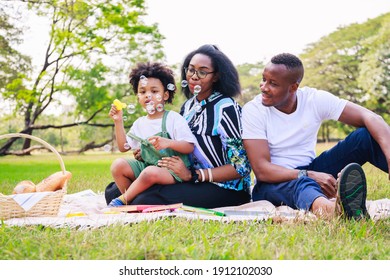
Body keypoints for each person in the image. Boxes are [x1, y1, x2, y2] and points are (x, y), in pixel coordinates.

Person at [242, 53, 390, 220]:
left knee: (365, 137)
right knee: (303, 183)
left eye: (273, 83)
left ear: (293, 87)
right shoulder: (253, 110)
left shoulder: (313, 99)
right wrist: (309, 175)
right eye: (264, 79)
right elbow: (262, 170)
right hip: (272, 183)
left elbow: (371, 118)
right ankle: (337, 211)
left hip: (312, 169)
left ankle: (339, 203)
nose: (263, 87)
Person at [106, 44, 252, 208]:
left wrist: (193, 175)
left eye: (202, 72)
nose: (194, 76)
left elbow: (241, 167)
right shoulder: (188, 106)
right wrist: (149, 152)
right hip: (186, 178)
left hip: (225, 188)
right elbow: (179, 144)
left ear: (216, 76)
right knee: (111, 191)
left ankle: (131, 201)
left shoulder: (226, 108)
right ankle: (129, 199)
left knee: (145, 198)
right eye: (190, 70)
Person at [108, 62, 196, 207]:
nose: (148, 95)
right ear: (138, 96)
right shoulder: (139, 123)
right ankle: (134, 200)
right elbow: (124, 147)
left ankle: (123, 200)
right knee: (118, 165)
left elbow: (189, 146)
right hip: (149, 168)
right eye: (143, 92)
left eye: (154, 91)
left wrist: (168, 142)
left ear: (165, 95)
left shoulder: (173, 118)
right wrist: (118, 121)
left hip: (173, 171)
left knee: (150, 172)